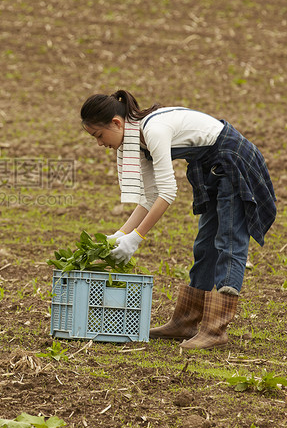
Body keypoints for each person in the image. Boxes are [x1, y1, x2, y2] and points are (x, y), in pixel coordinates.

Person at [80, 90, 276, 349]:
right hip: (210, 167)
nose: (99, 143)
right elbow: (149, 198)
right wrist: (120, 234)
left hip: (233, 160)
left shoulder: (153, 131)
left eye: (99, 135)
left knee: (229, 241)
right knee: (205, 245)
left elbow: (167, 193)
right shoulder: (135, 141)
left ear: (116, 123)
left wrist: (136, 238)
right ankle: (186, 321)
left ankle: (216, 330)